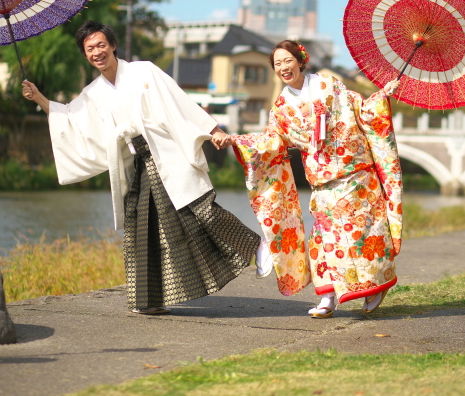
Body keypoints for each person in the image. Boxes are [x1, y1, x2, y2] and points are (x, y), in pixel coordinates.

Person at [22, 20, 260, 314]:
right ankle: (148, 300)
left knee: (198, 209)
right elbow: (69, 119)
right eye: (89, 49)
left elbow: (181, 102)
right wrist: (39, 98)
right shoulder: (93, 92)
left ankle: (254, 245)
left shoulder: (144, 70)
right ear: (85, 56)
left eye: (100, 45)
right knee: (142, 226)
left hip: (167, 150)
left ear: (112, 46)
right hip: (139, 161)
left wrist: (214, 131)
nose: (97, 52)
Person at [227, 40, 403, 318]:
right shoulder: (281, 107)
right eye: (277, 64)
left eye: (287, 61)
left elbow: (361, 110)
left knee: (365, 234)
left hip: (355, 174)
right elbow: (272, 140)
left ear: (300, 61)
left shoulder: (329, 86)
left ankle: (376, 286)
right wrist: (236, 140)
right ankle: (328, 297)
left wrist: (382, 96)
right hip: (322, 181)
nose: (283, 67)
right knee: (323, 239)